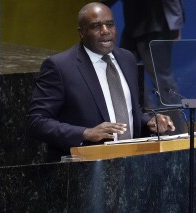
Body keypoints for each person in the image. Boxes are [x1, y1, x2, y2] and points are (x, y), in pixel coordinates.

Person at [26, 2, 175, 162]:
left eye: (110, 25)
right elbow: (36, 121)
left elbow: (132, 111)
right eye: (96, 26)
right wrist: (85, 133)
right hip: (84, 169)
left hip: (133, 164)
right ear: (82, 33)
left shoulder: (127, 59)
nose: (105, 31)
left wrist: (149, 122)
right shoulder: (60, 67)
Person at [102, 0, 186, 134]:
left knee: (162, 80)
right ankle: (149, 121)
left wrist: (175, 21)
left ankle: (174, 132)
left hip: (156, 23)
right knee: (126, 72)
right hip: (135, 25)